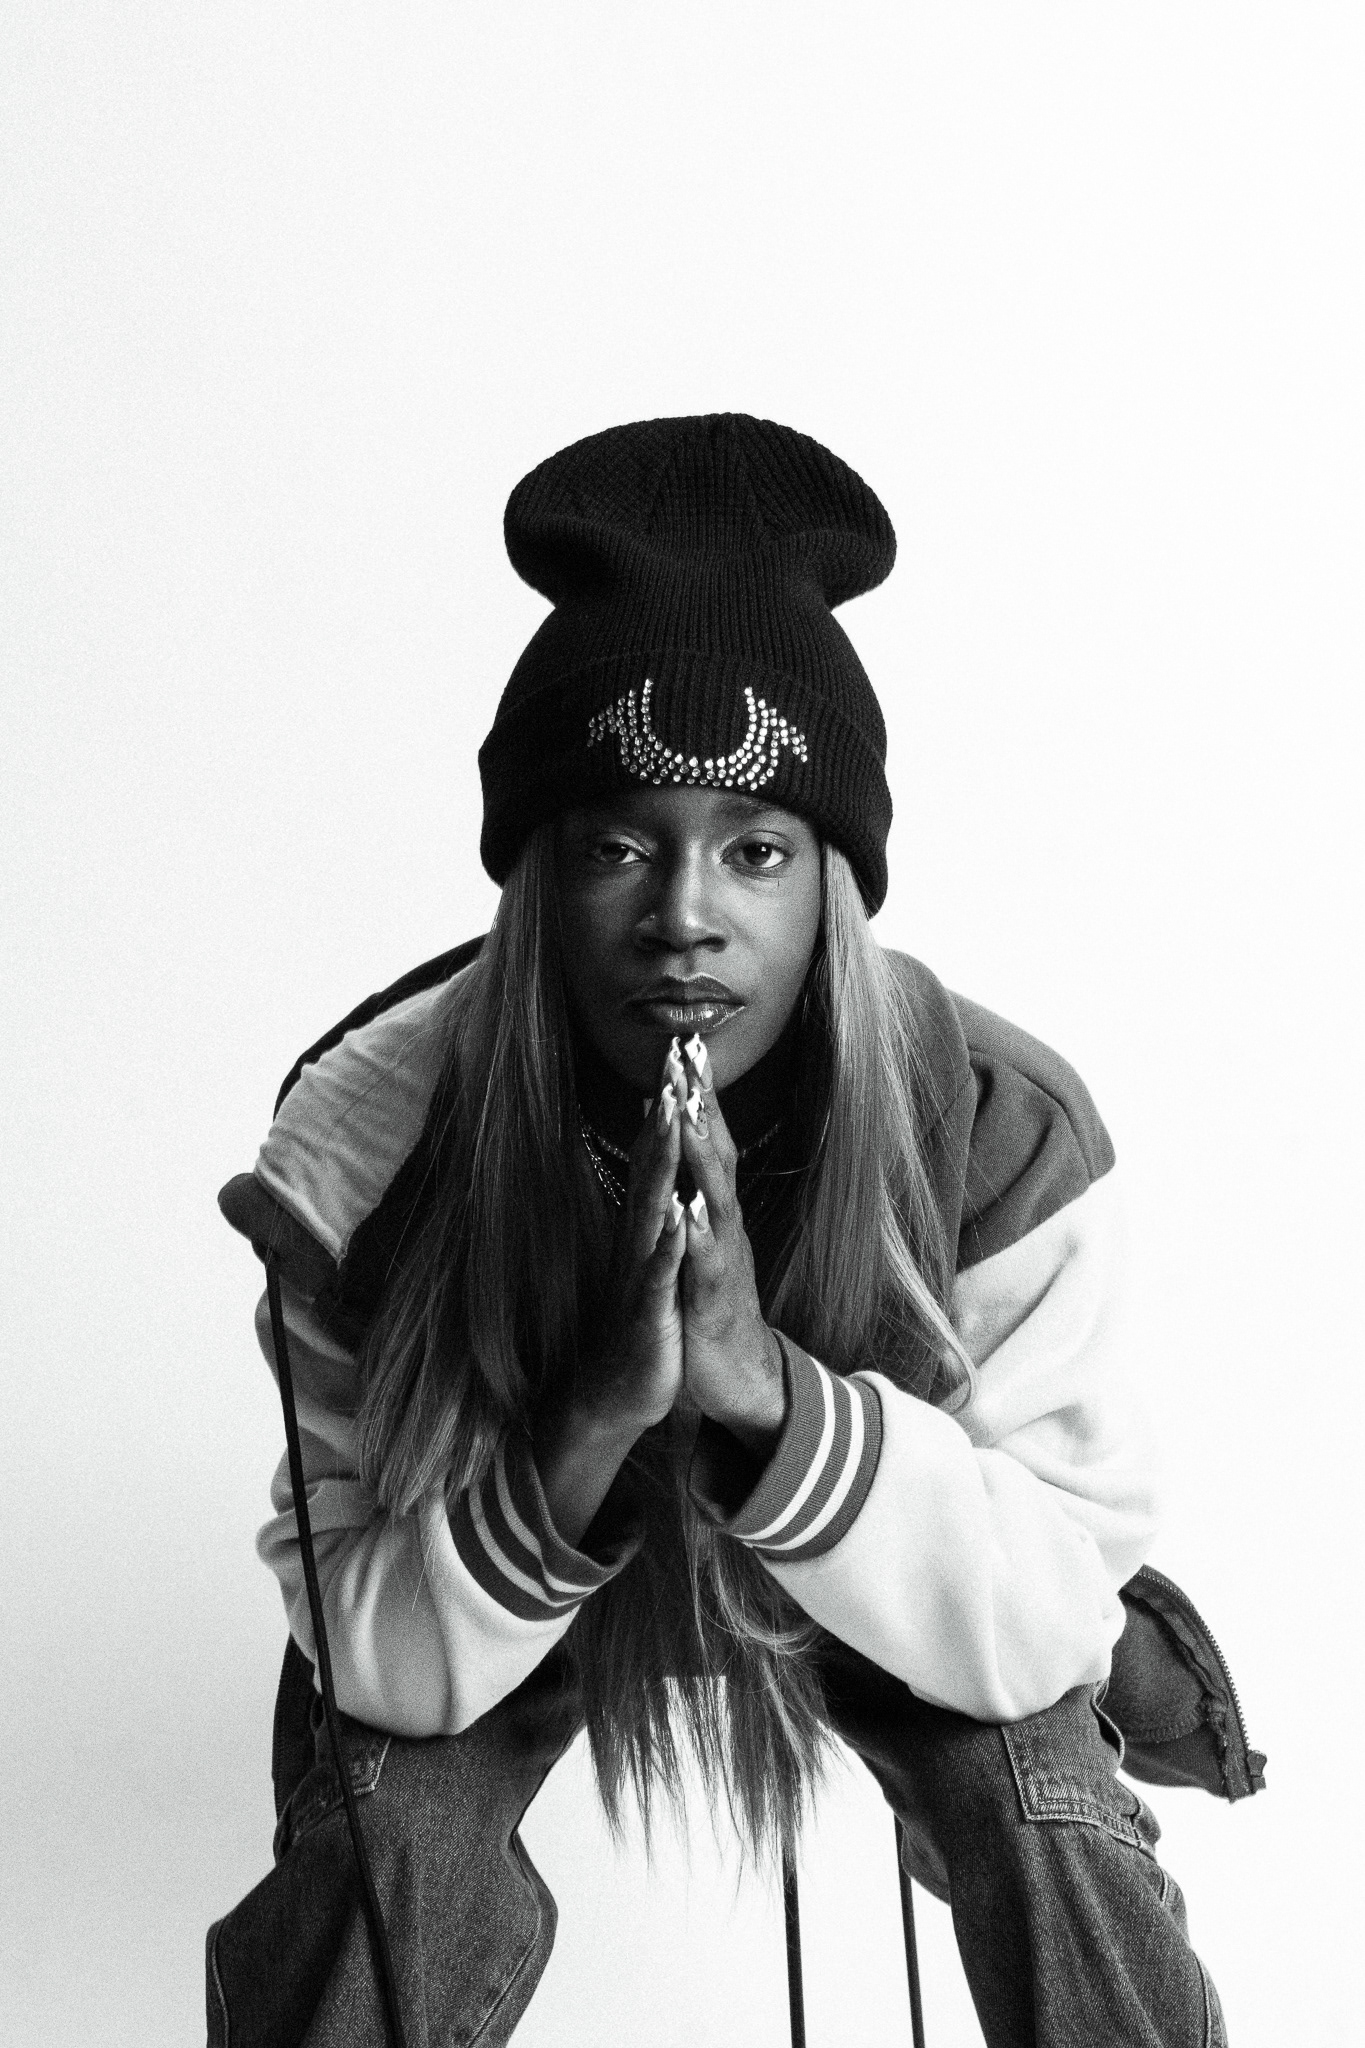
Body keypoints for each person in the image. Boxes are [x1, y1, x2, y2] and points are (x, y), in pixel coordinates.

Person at [208, 414, 1232, 2046]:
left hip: (897, 1576)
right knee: (382, 1845)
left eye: (754, 850)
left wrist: (763, 1389)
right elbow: (377, 1655)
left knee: (1044, 1810)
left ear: (832, 880)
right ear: (537, 882)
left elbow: (1046, 1617)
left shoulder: (995, 1121)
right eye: (616, 846)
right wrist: (592, 1416)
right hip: (496, 1590)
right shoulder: (359, 1158)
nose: (683, 916)